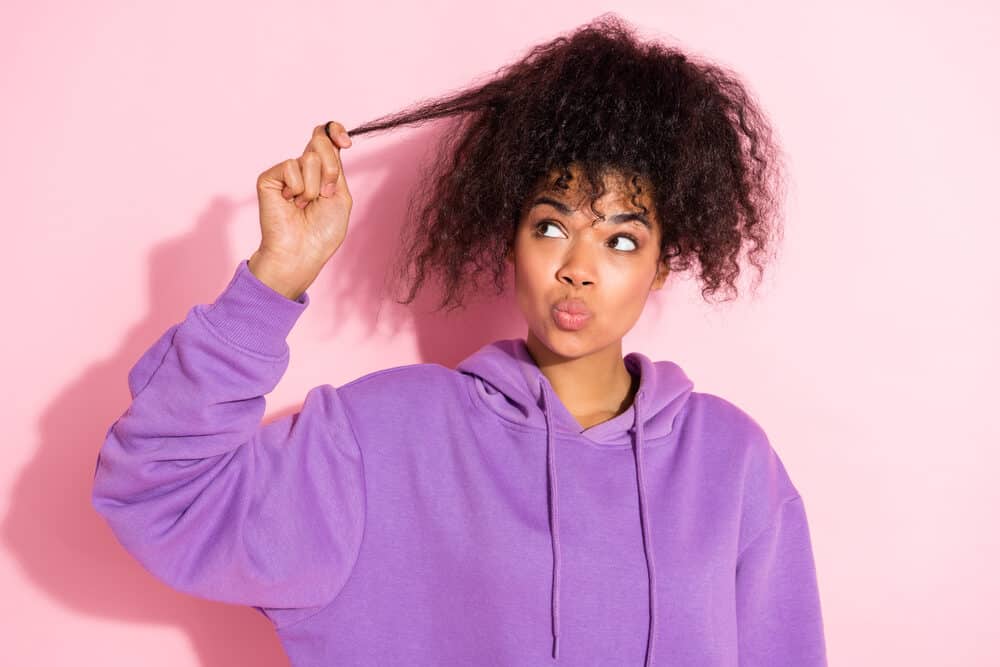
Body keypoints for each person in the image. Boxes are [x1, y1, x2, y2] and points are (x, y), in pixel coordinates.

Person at [91, 14, 827, 667]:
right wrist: (273, 279)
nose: (577, 268)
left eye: (622, 240)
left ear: (665, 261)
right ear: (509, 242)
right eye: (550, 226)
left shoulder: (730, 464)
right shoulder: (384, 437)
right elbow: (160, 489)